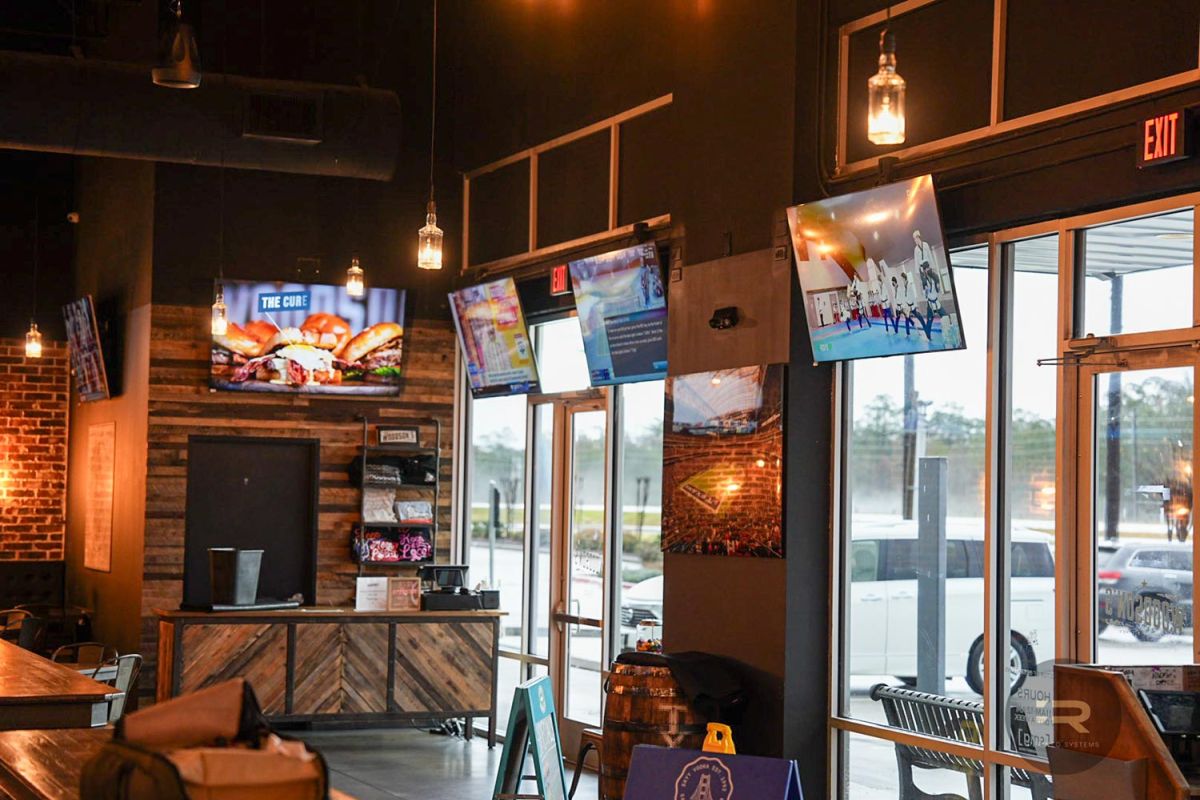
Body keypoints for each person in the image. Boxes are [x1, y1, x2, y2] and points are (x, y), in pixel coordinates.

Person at [913, 229, 940, 297]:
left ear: (918, 238)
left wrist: (932, 266)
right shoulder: (916, 249)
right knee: (924, 281)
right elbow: (916, 261)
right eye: (914, 239)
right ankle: (926, 291)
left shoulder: (925, 245)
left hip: (927, 265)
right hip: (922, 267)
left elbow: (930, 255)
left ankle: (937, 287)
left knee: (935, 277)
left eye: (915, 239)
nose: (915, 241)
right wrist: (917, 272)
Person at [897, 272, 918, 336]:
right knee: (907, 319)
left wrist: (914, 305)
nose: (901, 280)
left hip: (911, 305)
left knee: (914, 317)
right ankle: (908, 333)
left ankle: (916, 330)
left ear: (904, 278)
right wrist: (903, 306)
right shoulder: (903, 287)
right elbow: (903, 297)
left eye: (901, 278)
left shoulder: (909, 285)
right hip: (906, 306)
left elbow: (913, 296)